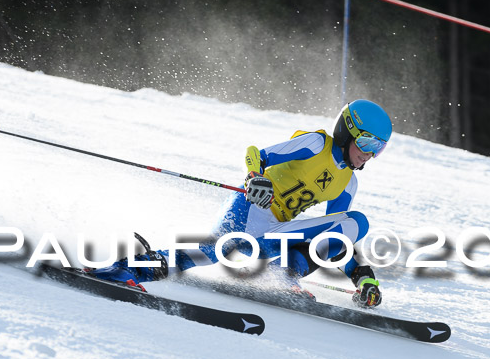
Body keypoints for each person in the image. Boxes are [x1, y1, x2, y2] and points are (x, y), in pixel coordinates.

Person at [90, 99, 392, 308]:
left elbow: (335, 240)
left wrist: (363, 278)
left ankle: (282, 276)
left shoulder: (348, 183)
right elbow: (256, 154)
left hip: (276, 232)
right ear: (347, 131)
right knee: (210, 252)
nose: (370, 154)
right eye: (366, 142)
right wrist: (254, 178)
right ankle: (126, 269)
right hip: (252, 208)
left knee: (351, 224)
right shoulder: (316, 144)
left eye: (379, 148)